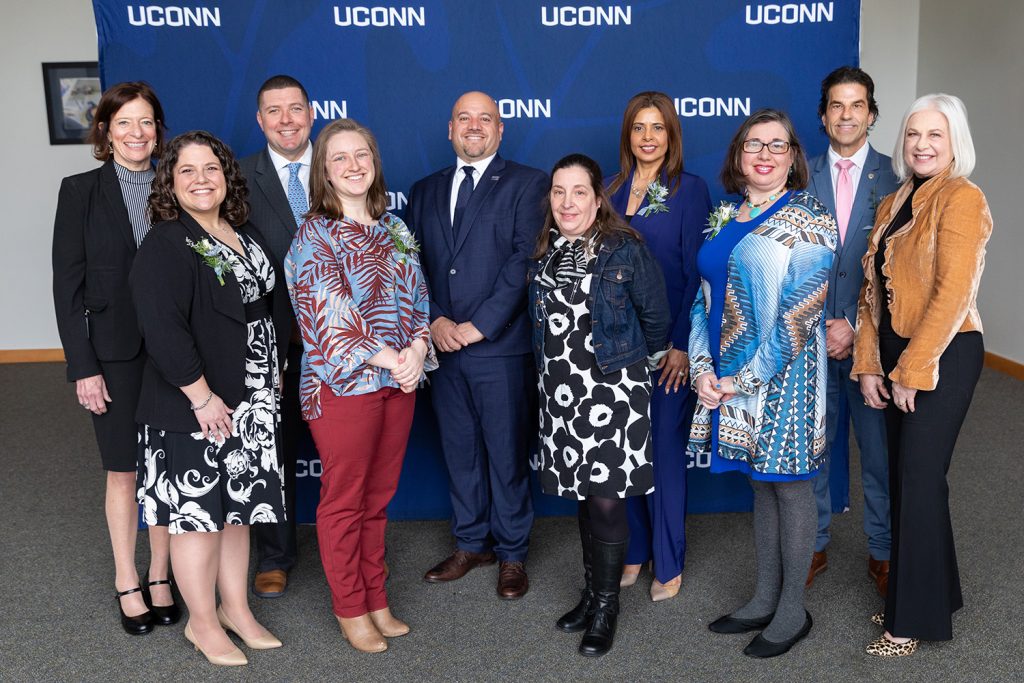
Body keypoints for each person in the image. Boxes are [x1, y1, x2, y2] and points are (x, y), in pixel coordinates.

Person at [131, 131, 291, 666]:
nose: (202, 180)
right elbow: (163, 330)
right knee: (197, 520)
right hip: (195, 405)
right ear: (169, 185)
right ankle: (202, 625)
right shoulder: (166, 243)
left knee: (238, 513)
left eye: (211, 169)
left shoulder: (239, 231)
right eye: (187, 171)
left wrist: (274, 371)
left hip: (252, 399)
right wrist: (201, 397)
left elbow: (264, 310)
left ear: (227, 177)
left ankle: (236, 611)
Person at [285, 119, 437, 653]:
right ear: (324, 171)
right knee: (345, 501)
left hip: (400, 382)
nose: (354, 166)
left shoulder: (393, 226)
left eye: (362, 155)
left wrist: (417, 350)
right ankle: (350, 606)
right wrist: (391, 357)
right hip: (344, 386)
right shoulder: (314, 234)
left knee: (378, 498)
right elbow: (328, 312)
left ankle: (376, 597)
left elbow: (419, 299)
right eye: (340, 158)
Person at [690, 109, 836, 658]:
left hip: (784, 381)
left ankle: (792, 611)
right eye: (755, 144)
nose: (765, 154)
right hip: (729, 382)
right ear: (738, 156)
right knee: (759, 485)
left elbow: (800, 316)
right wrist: (706, 370)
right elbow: (703, 299)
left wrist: (743, 380)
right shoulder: (725, 214)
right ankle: (762, 597)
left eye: (778, 145)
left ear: (794, 156)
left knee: (791, 487)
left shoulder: (811, 218)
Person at [852, 94, 991, 657]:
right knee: (911, 478)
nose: (922, 144)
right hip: (893, 356)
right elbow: (870, 297)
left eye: (935, 134)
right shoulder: (894, 201)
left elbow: (954, 293)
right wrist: (869, 365)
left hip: (945, 352)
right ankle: (937, 593)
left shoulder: (961, 197)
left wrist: (912, 369)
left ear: (954, 141)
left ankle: (907, 621)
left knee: (919, 477)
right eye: (913, 134)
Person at [406, 91, 547, 599]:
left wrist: (478, 325)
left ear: (500, 129)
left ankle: (512, 552)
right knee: (459, 451)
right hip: (441, 347)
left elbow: (523, 261)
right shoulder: (423, 190)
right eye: (463, 117)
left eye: (484, 118)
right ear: (449, 129)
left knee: (506, 455)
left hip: (499, 348)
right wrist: (436, 319)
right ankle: (471, 543)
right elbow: (411, 266)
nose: (473, 125)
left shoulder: (530, 184)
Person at [51, 81, 179, 636]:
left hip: (177, 353)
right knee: (125, 471)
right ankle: (127, 578)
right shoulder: (79, 191)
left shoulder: (179, 185)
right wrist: (82, 365)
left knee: (172, 472)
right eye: (124, 122)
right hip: (113, 356)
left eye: (147, 122)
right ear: (104, 130)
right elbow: (67, 288)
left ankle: (161, 576)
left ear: (158, 130)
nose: (137, 133)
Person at [530, 154, 669, 657]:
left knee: (609, 499)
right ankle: (591, 595)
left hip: (613, 391)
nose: (568, 202)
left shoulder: (622, 247)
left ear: (597, 197)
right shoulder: (547, 249)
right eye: (559, 191)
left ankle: (608, 608)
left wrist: (637, 375)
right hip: (562, 392)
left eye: (579, 192)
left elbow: (656, 317)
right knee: (587, 497)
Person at [606, 91, 711, 601]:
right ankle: (635, 549)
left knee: (664, 452)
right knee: (625, 450)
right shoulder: (608, 189)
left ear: (671, 136)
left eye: (658, 129)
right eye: (639, 128)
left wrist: (681, 345)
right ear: (627, 135)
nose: (648, 138)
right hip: (614, 350)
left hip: (669, 349)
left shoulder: (689, 190)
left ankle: (668, 562)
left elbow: (696, 272)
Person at [806, 67, 899, 595]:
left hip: (872, 346)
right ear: (824, 116)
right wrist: (819, 325)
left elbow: (902, 273)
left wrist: (857, 325)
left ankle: (883, 551)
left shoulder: (898, 178)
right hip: (811, 342)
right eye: (837, 105)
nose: (846, 115)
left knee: (878, 457)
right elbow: (788, 262)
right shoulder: (800, 176)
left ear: (871, 113)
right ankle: (813, 544)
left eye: (857, 105)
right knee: (814, 449)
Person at [239, 74, 314, 599]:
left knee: (350, 457)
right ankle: (275, 555)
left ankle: (348, 553)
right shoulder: (238, 178)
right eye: (274, 110)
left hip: (349, 343)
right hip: (277, 343)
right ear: (260, 119)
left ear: (311, 113)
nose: (286, 119)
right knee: (274, 453)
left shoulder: (344, 163)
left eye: (295, 108)